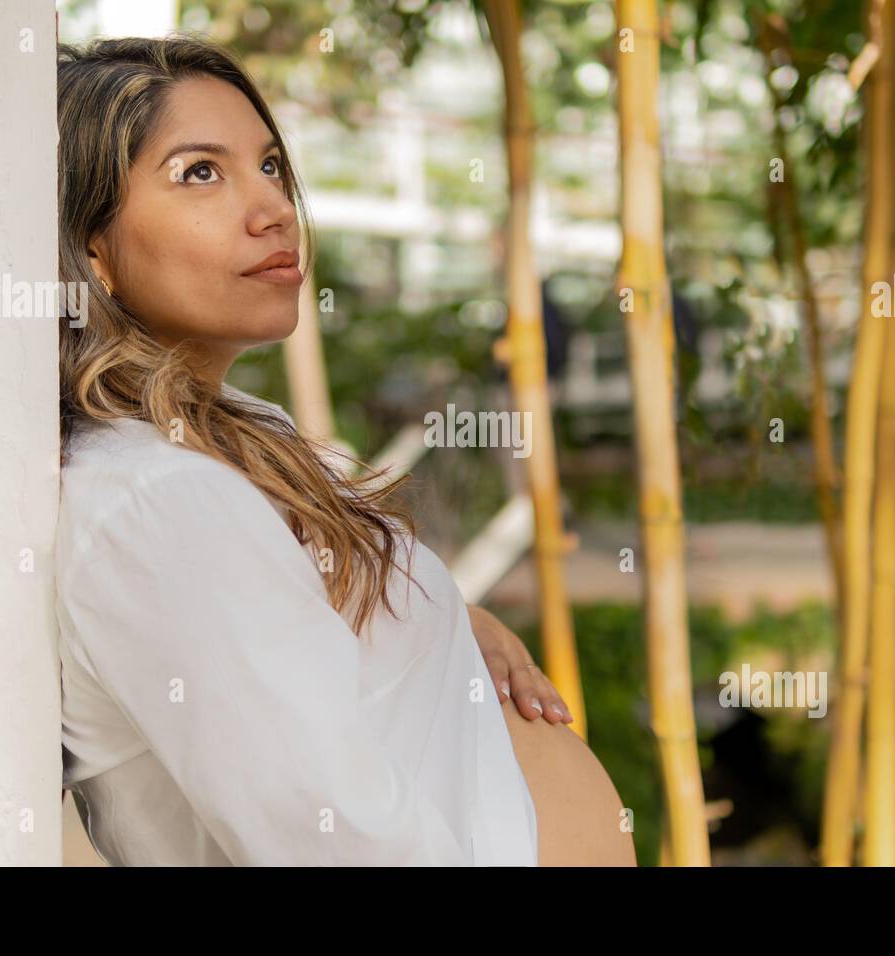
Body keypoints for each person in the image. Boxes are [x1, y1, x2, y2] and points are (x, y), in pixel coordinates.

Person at [54, 35, 635, 867]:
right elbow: (336, 842)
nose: (273, 209)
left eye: (270, 168)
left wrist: (449, 623)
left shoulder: (238, 435)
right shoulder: (160, 502)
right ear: (94, 249)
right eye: (200, 173)